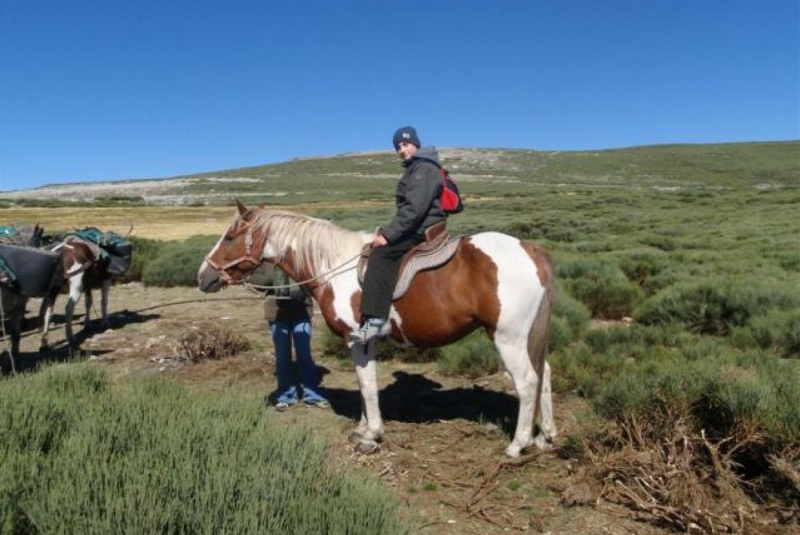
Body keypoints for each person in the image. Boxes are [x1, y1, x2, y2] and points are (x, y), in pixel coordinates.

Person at [350, 126, 448, 344]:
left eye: (405, 144)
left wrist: (388, 235)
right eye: (398, 147)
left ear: (415, 144)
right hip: (423, 224)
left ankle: (376, 321)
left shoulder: (423, 167)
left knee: (380, 254)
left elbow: (414, 209)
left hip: (421, 228)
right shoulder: (420, 166)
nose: (402, 150)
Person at [265, 264, 328, 411]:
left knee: (304, 354)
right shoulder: (265, 258)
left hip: (302, 311)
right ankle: (285, 395)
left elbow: (313, 279)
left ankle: (312, 395)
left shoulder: (299, 256)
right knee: (282, 356)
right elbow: (257, 279)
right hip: (276, 313)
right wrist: (278, 277)